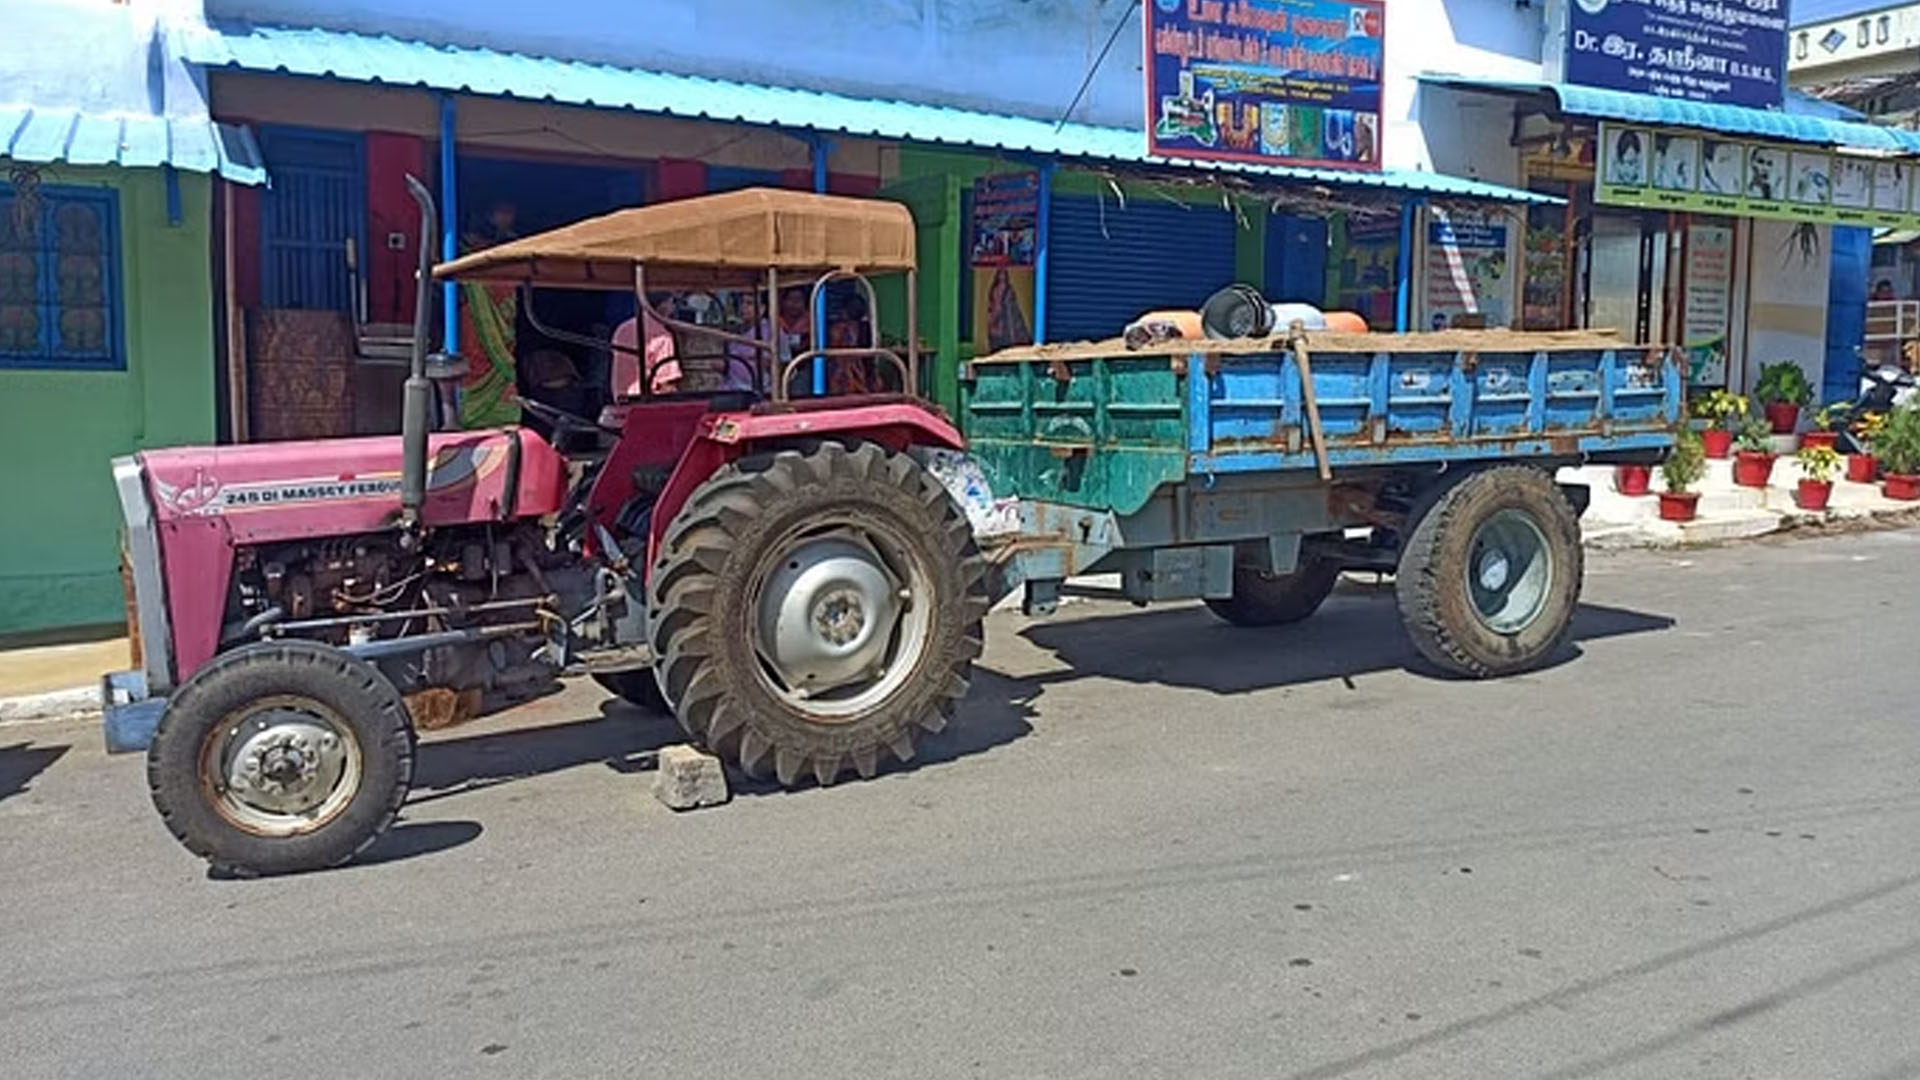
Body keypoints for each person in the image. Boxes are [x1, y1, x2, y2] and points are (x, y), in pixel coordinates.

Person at [456, 199, 524, 427]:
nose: (507, 218)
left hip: (502, 330)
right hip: (473, 331)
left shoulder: (509, 249)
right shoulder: (465, 258)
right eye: (502, 213)